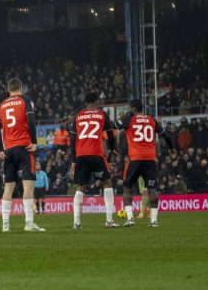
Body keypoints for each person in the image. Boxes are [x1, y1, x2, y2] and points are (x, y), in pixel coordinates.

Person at [0, 77, 44, 232]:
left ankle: (5, 225)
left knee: (8, 188)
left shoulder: (1, 105)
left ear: (8, 89)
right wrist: (34, 141)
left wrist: (0, 149)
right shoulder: (25, 100)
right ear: (21, 88)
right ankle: (29, 224)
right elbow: (31, 119)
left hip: (8, 150)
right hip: (24, 147)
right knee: (28, 186)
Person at [117, 99, 176, 227]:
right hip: (150, 159)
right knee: (151, 189)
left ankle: (130, 218)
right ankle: (154, 221)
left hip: (136, 158)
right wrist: (172, 148)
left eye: (129, 108)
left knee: (127, 187)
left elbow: (116, 124)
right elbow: (166, 136)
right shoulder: (151, 120)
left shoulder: (129, 119)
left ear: (133, 109)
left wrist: (125, 115)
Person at [69, 92, 118, 229]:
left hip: (80, 156)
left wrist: (73, 160)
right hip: (96, 154)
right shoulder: (102, 115)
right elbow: (110, 134)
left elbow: (72, 141)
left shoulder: (77, 116)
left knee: (80, 187)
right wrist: (112, 148)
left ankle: (76, 223)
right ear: (96, 102)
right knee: (107, 183)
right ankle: (109, 221)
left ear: (85, 103)